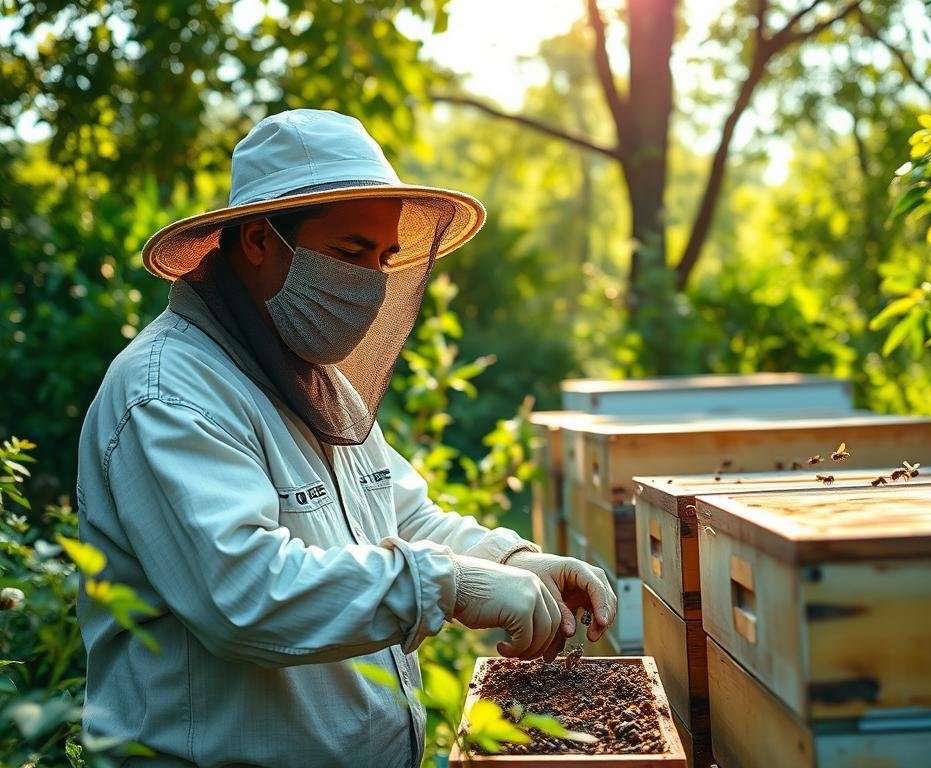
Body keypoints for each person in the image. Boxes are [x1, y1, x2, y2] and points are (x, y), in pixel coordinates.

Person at [75, 109, 617, 767]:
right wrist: (449, 586)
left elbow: (400, 514)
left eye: (385, 257)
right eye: (350, 252)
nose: (370, 282)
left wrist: (507, 560)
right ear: (256, 239)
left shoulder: (310, 375)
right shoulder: (168, 391)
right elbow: (244, 593)